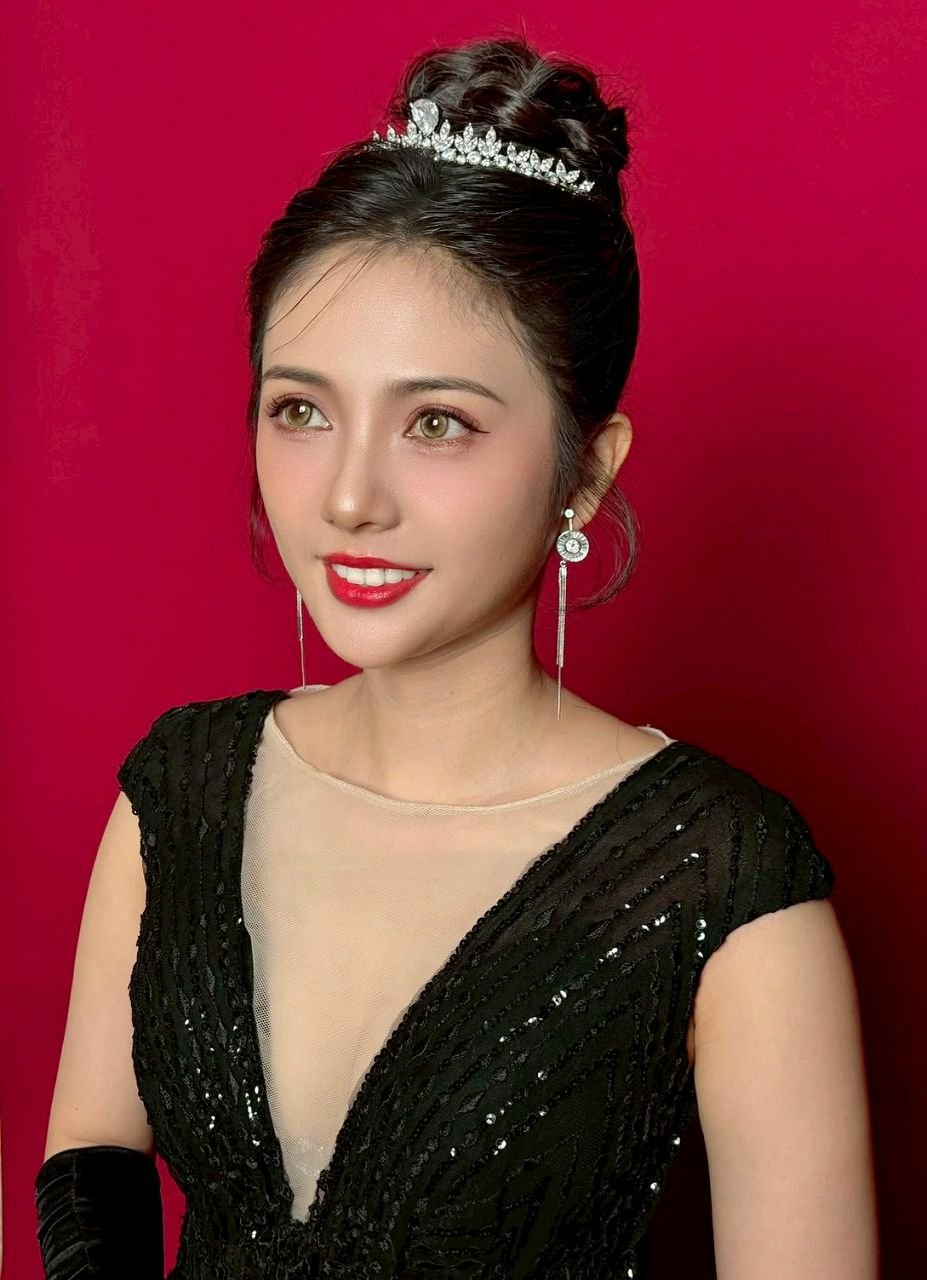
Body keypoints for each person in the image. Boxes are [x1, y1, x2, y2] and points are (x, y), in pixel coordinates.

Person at [35, 32, 878, 1280]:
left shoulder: (723, 879)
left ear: (586, 469)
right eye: (301, 409)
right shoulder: (183, 787)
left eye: (437, 422)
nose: (348, 497)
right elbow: (94, 1151)